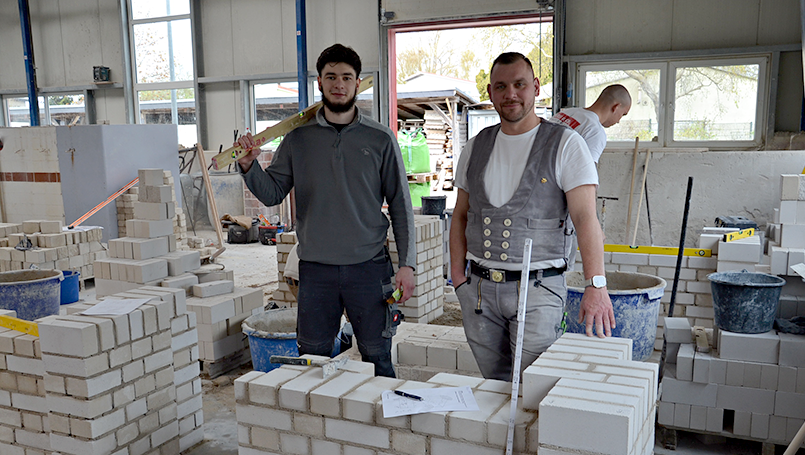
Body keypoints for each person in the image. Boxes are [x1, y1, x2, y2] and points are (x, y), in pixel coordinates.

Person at [234, 43, 416, 378]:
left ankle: (380, 429)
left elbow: (402, 205)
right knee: (313, 361)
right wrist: (250, 166)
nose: (339, 83)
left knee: (378, 357)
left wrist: (408, 265)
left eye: (347, 77)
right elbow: (273, 193)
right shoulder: (297, 138)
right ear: (319, 82)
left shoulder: (380, 139)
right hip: (317, 273)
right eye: (331, 76)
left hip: (369, 269)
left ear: (358, 83)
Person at [449, 52, 615, 381]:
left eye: (519, 84)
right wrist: (457, 278)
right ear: (491, 92)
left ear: (535, 88)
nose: (510, 94)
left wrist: (596, 285)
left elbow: (585, 219)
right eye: (501, 86)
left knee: (531, 388)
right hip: (480, 290)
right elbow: (460, 215)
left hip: (539, 290)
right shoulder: (475, 147)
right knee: (494, 387)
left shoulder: (566, 144)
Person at [550, 84, 631, 163]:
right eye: (623, 114)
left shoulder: (566, 113)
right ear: (616, 107)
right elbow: (586, 174)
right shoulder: (595, 132)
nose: (618, 121)